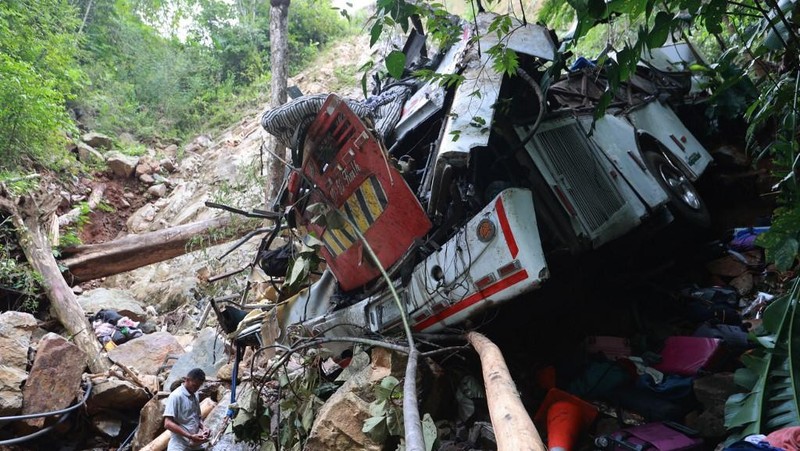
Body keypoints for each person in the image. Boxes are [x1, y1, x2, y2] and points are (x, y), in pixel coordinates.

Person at [163, 368, 211, 450]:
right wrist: (190, 436)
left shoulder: (195, 394)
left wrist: (204, 428)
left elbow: (197, 417)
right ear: (187, 380)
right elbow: (167, 423)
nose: (196, 389)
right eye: (194, 385)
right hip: (179, 446)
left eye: (198, 386)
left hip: (194, 444)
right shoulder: (176, 396)